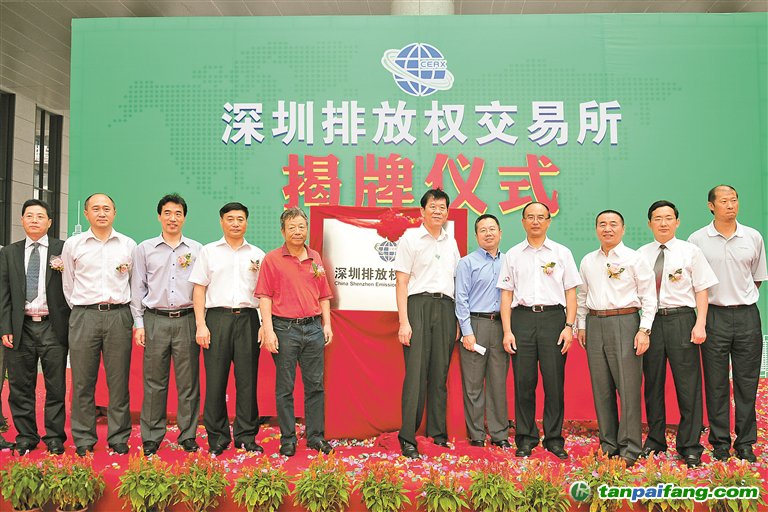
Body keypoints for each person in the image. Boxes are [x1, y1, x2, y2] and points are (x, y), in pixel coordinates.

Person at [688, 185, 766, 463]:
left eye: (734, 200)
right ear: (711, 206)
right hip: (713, 316)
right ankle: (720, 442)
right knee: (716, 383)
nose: (730, 205)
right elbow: (694, 283)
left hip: (747, 316)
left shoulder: (753, 237)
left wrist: (739, 298)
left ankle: (745, 443)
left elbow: (756, 278)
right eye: (724, 201)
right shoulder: (697, 239)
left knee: (747, 382)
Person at [498, 202, 581, 459]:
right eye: (530, 217)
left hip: (554, 319)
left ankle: (554, 439)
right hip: (521, 319)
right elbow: (506, 295)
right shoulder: (513, 254)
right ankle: (525, 438)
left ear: (548, 221)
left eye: (541, 217)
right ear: (523, 221)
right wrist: (507, 331)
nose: (535, 221)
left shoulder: (562, 253)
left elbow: (571, 293)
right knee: (523, 382)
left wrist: (569, 326)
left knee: (554, 382)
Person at [638, 200, 718, 468]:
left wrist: (700, 323)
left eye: (668, 218)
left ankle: (690, 445)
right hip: (651, 322)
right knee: (653, 383)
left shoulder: (690, 251)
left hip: (682, 320)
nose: (663, 223)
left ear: (677, 222)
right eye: (657, 218)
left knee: (688, 385)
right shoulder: (641, 254)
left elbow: (702, 289)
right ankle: (655, 440)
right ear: (649, 223)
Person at [576, 210, 656, 467]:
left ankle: (630, 447)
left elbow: (649, 297)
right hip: (594, 323)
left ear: (623, 229)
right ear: (596, 229)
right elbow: (582, 295)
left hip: (625, 322)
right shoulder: (588, 260)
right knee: (601, 388)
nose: (607, 228)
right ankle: (608, 444)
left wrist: (644, 330)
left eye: (613, 224)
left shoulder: (635, 258)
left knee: (628, 387)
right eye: (602, 224)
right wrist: (581, 325)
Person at [62, 193, 137, 456]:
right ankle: (83, 438)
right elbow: (68, 285)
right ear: (86, 214)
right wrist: (83, 309)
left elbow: (133, 283)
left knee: (118, 380)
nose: (101, 213)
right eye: (96, 209)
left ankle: (118, 437)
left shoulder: (128, 244)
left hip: (118, 315)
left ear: (115, 213)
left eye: (106, 209)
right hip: (84, 315)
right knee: (83, 381)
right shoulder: (73, 245)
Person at [256, 207, 334, 457]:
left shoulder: (315, 257)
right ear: (283, 231)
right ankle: (288, 438)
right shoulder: (272, 259)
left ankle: (315, 437)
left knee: (315, 386)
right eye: (292, 227)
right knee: (285, 387)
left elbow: (323, 295)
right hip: (284, 329)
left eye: (301, 226)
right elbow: (265, 297)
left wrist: (326, 324)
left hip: (313, 328)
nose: (297, 231)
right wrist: (268, 330)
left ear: (307, 229)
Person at [189, 202, 264, 456]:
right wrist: (201, 324)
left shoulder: (258, 254)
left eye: (240, 219)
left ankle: (246, 436)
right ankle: (218, 437)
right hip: (217, 319)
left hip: (248, 320)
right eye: (230, 219)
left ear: (247, 222)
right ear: (221, 222)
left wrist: (263, 325)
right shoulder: (209, 252)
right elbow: (199, 289)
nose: (235, 223)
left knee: (247, 381)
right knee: (216, 381)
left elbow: (264, 294)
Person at [130, 194, 202, 456]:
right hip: (155, 319)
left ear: (185, 217)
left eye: (178, 213)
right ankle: (151, 436)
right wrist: (139, 323)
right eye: (168, 213)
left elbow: (201, 289)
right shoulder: (144, 249)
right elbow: (137, 287)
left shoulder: (197, 249)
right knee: (154, 382)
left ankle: (188, 435)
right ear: (159, 216)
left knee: (188, 382)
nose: (173, 218)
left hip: (187, 319)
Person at [0, 199, 70, 455]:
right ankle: (26, 436)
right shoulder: (9, 252)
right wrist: (5, 327)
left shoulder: (63, 250)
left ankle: (54, 437)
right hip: (21, 327)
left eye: (40, 216)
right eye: (29, 215)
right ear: (22, 220)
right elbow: (3, 293)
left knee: (56, 386)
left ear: (49, 222)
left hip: (53, 326)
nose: (34, 220)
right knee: (20, 385)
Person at [394, 188, 460, 459]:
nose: (437, 211)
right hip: (418, 306)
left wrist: (457, 320)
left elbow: (456, 282)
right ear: (422, 211)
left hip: (446, 308)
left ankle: (438, 434)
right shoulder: (410, 238)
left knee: (439, 374)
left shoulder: (451, 242)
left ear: (447, 213)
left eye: (442, 207)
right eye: (432, 206)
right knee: (416, 375)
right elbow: (401, 281)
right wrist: (404, 322)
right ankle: (407, 436)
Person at [455, 214, 508, 449]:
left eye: (492, 229)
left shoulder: (509, 262)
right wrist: (467, 331)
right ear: (476, 235)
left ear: (500, 233)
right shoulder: (467, 263)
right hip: (475, 324)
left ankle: (499, 434)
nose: (488, 233)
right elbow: (461, 299)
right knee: (473, 384)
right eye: (483, 230)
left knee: (498, 382)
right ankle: (476, 434)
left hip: (501, 326)